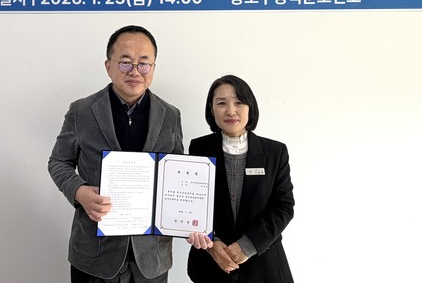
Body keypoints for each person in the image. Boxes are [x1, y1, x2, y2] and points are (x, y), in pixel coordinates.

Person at [48, 25, 184, 283]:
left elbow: (176, 175)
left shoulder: (170, 115)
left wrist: (187, 220)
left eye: (143, 63)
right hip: (94, 253)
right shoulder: (82, 111)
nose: (135, 71)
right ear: (108, 66)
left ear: (153, 68)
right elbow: (59, 161)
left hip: (151, 258)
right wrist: (79, 192)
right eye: (125, 62)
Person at [186, 75, 295, 283]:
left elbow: (284, 207)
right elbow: (190, 205)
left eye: (239, 102)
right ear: (211, 109)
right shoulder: (199, 148)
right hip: (211, 266)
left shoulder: (275, 152)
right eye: (221, 103)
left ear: (250, 107)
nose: (230, 111)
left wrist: (247, 246)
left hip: (264, 267)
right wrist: (212, 243)